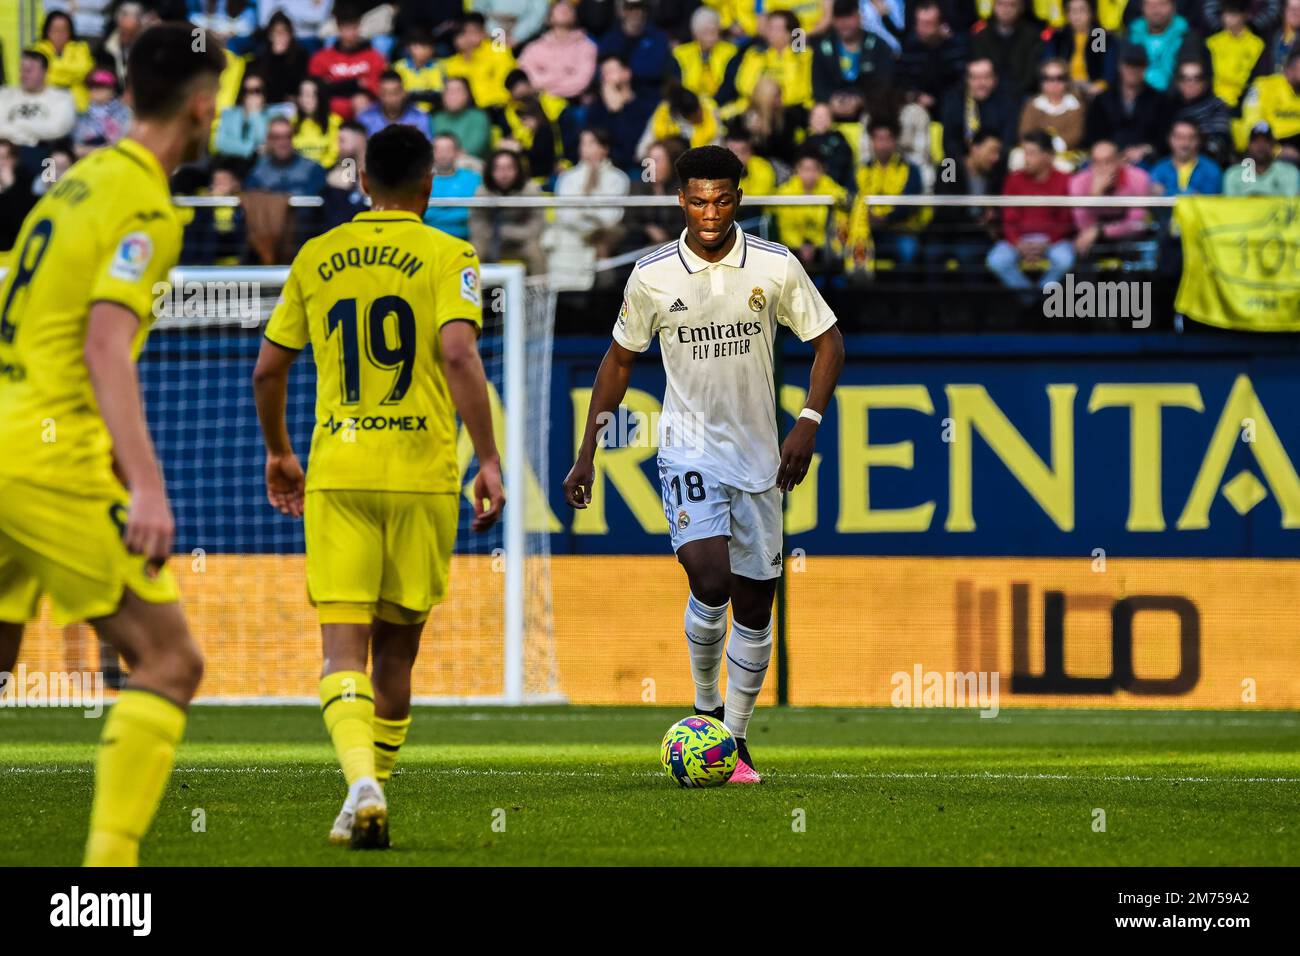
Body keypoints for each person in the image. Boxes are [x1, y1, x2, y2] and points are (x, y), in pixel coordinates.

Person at [0, 23, 224, 868]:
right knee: (170, 660)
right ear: (202, 107)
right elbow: (103, 345)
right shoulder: (144, 202)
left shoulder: (69, 184)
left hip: (7, 427)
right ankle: (107, 876)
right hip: (42, 457)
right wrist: (148, 487)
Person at [252, 123, 504, 850]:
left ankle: (358, 784)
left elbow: (269, 370)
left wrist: (280, 453)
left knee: (341, 653)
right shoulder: (451, 253)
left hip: (341, 473)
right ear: (430, 187)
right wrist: (486, 457)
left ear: (361, 182)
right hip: (423, 475)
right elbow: (459, 354)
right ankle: (371, 791)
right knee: (397, 657)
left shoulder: (318, 254)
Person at [562, 145, 845, 786]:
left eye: (720, 199)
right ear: (680, 200)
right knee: (710, 577)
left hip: (761, 459)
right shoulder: (653, 274)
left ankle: (735, 744)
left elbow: (829, 341)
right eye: (696, 199)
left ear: (738, 198)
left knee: (755, 603)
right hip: (687, 447)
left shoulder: (774, 266)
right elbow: (619, 360)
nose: (709, 212)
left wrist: (809, 421)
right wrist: (588, 451)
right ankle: (703, 710)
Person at [987, 129, 1076, 294]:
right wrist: (1017, 242)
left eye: (1031, 153)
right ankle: (1028, 297)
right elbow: (1008, 218)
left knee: (1065, 260)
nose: (1026, 159)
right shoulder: (1013, 179)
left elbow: (1066, 219)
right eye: (1025, 153)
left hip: (1053, 241)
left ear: (1047, 156)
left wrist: (1048, 242)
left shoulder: (1065, 180)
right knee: (996, 260)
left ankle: (1043, 294)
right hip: (1019, 239)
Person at [542, 127, 629, 289]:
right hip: (571, 230)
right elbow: (564, 213)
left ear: (604, 148)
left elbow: (611, 216)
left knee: (603, 239)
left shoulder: (618, 178)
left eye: (591, 143)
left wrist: (585, 213)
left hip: (602, 232)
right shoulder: (568, 177)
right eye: (583, 143)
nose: (585, 148)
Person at [926, 128, 1005, 276]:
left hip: (974, 235)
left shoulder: (995, 173)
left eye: (998, 152)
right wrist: (978, 221)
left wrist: (991, 216)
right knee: (932, 254)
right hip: (945, 233)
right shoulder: (949, 165)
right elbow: (945, 207)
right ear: (974, 148)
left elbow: (997, 208)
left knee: (969, 255)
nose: (996, 157)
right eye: (992, 151)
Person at [1084, 43, 1168, 166]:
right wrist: (1111, 153)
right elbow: (1092, 135)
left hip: (1144, 160)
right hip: (1107, 158)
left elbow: (1164, 137)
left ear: (1145, 67)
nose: (1133, 69)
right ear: (1120, 66)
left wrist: (1145, 149)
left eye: (1138, 64)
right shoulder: (1102, 99)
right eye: (1129, 64)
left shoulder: (1159, 100)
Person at [1069, 140, 1153, 258]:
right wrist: (1094, 196)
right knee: (1080, 249)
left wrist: (1101, 231)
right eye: (1097, 162)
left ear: (1119, 161)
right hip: (1091, 235)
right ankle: (1071, 278)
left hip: (1126, 237)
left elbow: (1136, 224)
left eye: (1108, 162)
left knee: (1132, 249)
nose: (1102, 168)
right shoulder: (1078, 182)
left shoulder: (1139, 178)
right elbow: (1082, 225)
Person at [470, 147, 547, 273]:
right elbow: (476, 227)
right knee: (474, 250)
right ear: (490, 171)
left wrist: (503, 231)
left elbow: (536, 228)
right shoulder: (482, 192)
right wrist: (494, 234)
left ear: (518, 170)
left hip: (522, 242)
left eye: (509, 168)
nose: (504, 174)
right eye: (498, 169)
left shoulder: (531, 190)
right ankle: (476, 290)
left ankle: (539, 291)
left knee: (536, 252)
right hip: (489, 240)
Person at [308, 3, 389, 119]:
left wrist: (336, 84)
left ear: (359, 27)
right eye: (346, 28)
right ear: (338, 29)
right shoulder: (321, 58)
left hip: (364, 109)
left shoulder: (374, 57)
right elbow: (316, 89)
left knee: (360, 101)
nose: (351, 33)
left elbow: (379, 89)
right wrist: (357, 83)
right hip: (330, 109)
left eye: (354, 27)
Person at [940, 57, 1020, 161]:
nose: (981, 83)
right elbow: (948, 141)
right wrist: (966, 161)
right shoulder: (954, 101)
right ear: (967, 80)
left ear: (995, 79)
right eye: (975, 78)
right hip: (962, 161)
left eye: (986, 77)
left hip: (996, 160)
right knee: (947, 166)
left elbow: (1009, 139)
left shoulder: (1007, 101)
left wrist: (989, 155)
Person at [517, 0, 599, 99]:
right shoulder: (534, 47)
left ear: (575, 16)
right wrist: (561, 76)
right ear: (549, 17)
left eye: (569, 9)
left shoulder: (587, 46)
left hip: (573, 103)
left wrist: (548, 87)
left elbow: (582, 80)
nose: (564, 10)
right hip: (539, 101)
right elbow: (524, 73)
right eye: (559, 8)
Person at [0, 50, 76, 150]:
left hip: (45, 150)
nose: (24, 74)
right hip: (7, 151)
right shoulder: (5, 94)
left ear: (44, 72)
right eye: (22, 69)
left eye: (29, 70)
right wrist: (29, 137)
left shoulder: (62, 97)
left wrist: (19, 124)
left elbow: (58, 129)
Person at [441, 12, 517, 109]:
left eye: (472, 32)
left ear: (483, 32)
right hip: (468, 112)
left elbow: (508, 87)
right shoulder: (451, 63)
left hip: (498, 107)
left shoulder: (499, 51)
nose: (467, 38)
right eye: (462, 33)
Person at [970, 0, 1045, 95]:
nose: (1006, 9)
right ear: (993, 6)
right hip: (989, 94)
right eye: (1001, 4)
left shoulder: (1032, 36)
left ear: (1021, 8)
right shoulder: (981, 36)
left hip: (1022, 94)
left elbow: (1032, 74)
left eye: (1012, 5)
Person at [1240, 47, 1300, 163]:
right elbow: (1253, 124)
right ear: (1288, 70)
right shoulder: (1263, 86)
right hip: (1271, 146)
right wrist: (1277, 150)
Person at [1128, 0, 1203, 92]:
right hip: (1139, 98)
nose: (1156, 10)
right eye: (1150, 5)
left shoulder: (1188, 37)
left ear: (1174, 7)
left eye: (1162, 4)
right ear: (1142, 8)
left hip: (1175, 100)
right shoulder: (1131, 36)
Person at [670, 6, 740, 101]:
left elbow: (729, 87)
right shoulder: (680, 54)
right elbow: (677, 86)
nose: (711, 37)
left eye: (714, 31)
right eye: (706, 32)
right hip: (689, 105)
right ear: (695, 34)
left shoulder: (731, 52)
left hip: (721, 104)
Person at [32, 10, 95, 112]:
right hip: (46, 106)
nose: (59, 34)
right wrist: (72, 75)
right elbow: (39, 77)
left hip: (78, 105)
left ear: (70, 31)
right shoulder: (38, 49)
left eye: (63, 30)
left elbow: (85, 71)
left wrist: (53, 70)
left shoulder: (81, 47)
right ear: (47, 31)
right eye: (55, 29)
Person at [246, 115, 327, 193]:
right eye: (277, 137)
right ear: (268, 139)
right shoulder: (257, 174)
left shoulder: (313, 170)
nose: (283, 142)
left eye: (288, 136)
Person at [424, 132, 483, 239]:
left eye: (447, 150)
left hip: (467, 240)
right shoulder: (421, 181)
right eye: (438, 150)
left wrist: (438, 214)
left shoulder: (474, 178)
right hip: (428, 240)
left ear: (457, 153)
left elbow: (476, 216)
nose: (442, 155)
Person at [1149, 119, 1224, 195]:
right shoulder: (1159, 168)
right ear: (1170, 139)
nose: (1185, 143)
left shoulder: (1211, 169)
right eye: (1179, 137)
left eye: (1191, 138)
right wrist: (1192, 194)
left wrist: (1166, 192)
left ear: (1198, 140)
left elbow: (1209, 202)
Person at [72, 68, 132, 157]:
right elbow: (77, 147)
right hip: (86, 161)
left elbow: (123, 144)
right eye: (91, 86)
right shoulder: (82, 111)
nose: (95, 89)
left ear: (113, 89)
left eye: (101, 86)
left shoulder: (124, 111)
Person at [1225, 121, 1300, 192]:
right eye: (1256, 141)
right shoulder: (1234, 175)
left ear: (1273, 145)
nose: (1261, 145)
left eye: (1266, 141)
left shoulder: (1289, 173)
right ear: (1248, 145)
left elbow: (1291, 203)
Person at [431, 75, 491, 160]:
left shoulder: (479, 117)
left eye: (458, 91)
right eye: (449, 91)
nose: (453, 95)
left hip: (470, 164)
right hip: (440, 164)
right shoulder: (436, 118)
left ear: (467, 95)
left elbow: (473, 150)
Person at [358, 71, 432, 140]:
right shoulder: (365, 119)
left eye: (395, 93)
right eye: (385, 93)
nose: (390, 98)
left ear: (404, 93)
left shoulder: (419, 119)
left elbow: (426, 150)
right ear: (379, 94)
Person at [213, 72, 271, 158]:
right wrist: (252, 148)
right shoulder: (229, 113)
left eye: (257, 90)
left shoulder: (271, 114)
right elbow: (220, 142)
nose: (251, 95)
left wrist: (255, 114)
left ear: (264, 93)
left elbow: (265, 140)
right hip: (228, 162)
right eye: (247, 91)